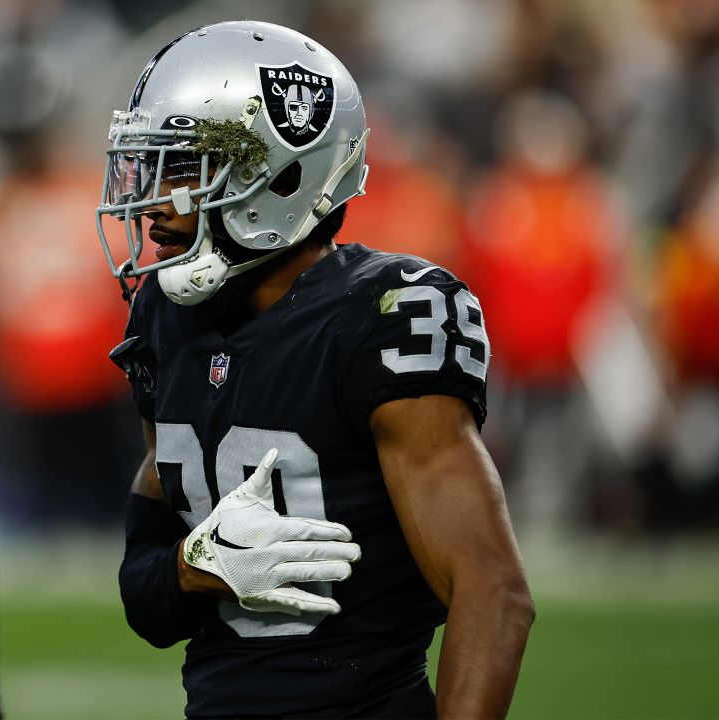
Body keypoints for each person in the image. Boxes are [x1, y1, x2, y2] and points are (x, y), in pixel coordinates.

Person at [98, 21, 534, 718]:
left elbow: (494, 593)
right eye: (148, 165)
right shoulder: (162, 314)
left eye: (184, 167)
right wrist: (193, 570)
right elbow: (146, 603)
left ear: (278, 173)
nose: (150, 200)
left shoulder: (384, 314)